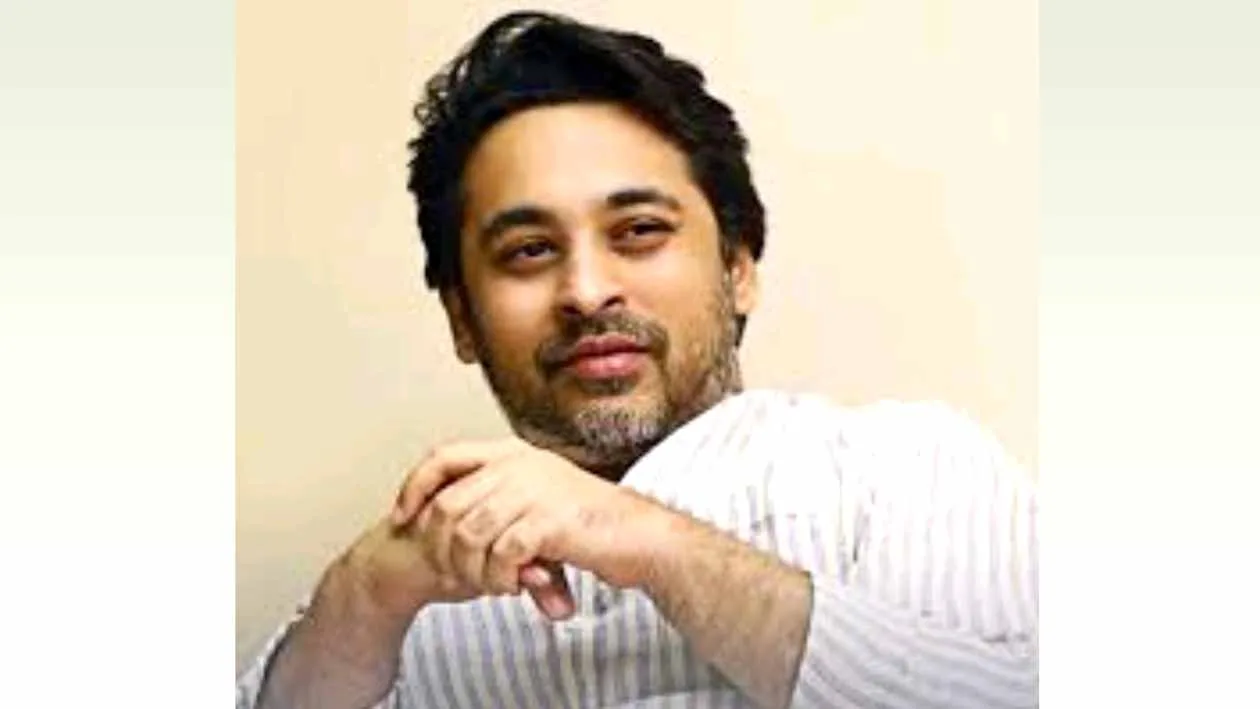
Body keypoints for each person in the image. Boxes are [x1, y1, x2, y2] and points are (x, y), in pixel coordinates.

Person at [237, 10, 1038, 709]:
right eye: (528, 250)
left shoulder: (907, 467)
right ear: (462, 318)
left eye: (640, 231)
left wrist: (638, 536)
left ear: (738, 267)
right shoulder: (408, 601)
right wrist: (364, 596)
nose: (587, 291)